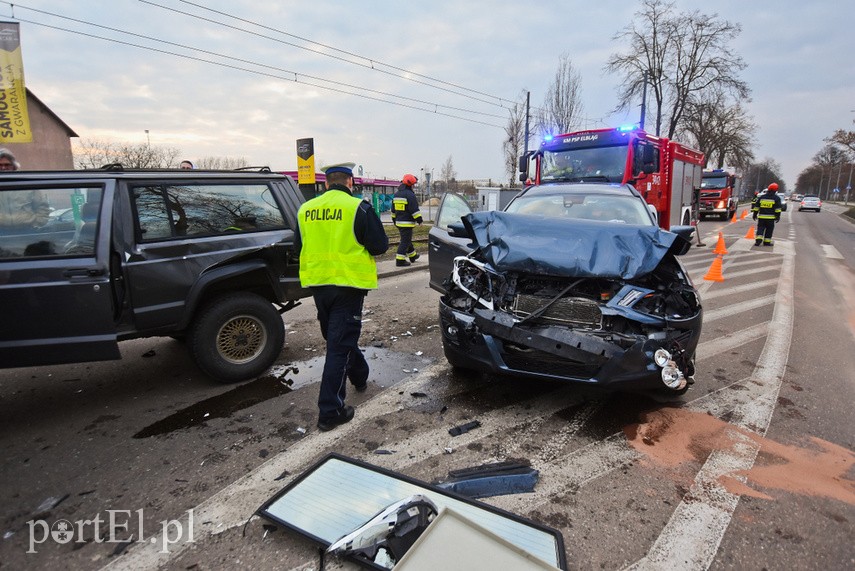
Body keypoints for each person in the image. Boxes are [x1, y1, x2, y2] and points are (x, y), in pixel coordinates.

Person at [296, 161, 389, 431]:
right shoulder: (358, 207)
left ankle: (359, 374)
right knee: (338, 344)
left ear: (326, 184)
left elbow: (297, 245)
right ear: (350, 183)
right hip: (348, 286)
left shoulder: (305, 209)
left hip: (318, 284)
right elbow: (380, 246)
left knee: (337, 337)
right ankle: (330, 410)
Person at [0, 149, 51, 232]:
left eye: (7, 164)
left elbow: (43, 207)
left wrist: (36, 224)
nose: (3, 167)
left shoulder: (26, 183)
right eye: (0, 165)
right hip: (1, 233)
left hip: (27, 232)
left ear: (14, 166)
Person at [391, 173, 423, 266]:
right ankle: (400, 260)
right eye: (413, 185)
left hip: (398, 222)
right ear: (411, 185)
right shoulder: (410, 195)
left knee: (406, 239)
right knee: (405, 241)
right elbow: (414, 210)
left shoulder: (397, 194)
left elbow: (393, 209)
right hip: (407, 223)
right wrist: (420, 220)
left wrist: (394, 220)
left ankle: (413, 256)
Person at [751, 182, 782, 246]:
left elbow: (756, 207)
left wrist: (754, 214)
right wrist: (777, 216)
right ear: (775, 190)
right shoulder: (776, 198)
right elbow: (778, 209)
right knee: (769, 230)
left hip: (762, 217)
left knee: (760, 228)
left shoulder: (762, 197)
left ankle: (758, 240)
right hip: (770, 218)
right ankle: (767, 242)